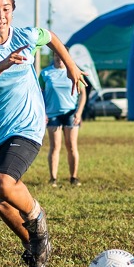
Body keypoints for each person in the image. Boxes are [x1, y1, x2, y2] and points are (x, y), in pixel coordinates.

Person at [0, 0, 82, 267]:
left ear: (13, 11)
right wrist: (3, 64)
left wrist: (70, 65)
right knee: (1, 203)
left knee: (2, 182)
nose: (0, 15)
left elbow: (51, 37)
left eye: (5, 9)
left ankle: (37, 220)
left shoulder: (25, 36)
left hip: (26, 124)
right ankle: (36, 248)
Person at [41, 54, 87, 186]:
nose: (59, 58)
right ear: (54, 56)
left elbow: (83, 93)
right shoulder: (45, 73)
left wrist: (79, 112)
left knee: (71, 146)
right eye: (57, 55)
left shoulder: (74, 70)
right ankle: (53, 178)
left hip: (71, 113)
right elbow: (38, 93)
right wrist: (43, 112)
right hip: (52, 114)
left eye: (62, 56)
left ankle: (74, 177)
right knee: (55, 146)